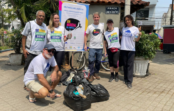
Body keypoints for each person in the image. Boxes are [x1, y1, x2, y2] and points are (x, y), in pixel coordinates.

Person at [22, 10, 47, 91]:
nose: (41, 17)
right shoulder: (29, 24)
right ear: (36, 16)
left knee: (39, 69)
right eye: (40, 15)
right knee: (27, 68)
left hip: (40, 53)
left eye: (43, 16)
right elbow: (24, 36)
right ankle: (26, 85)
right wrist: (24, 49)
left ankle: (36, 83)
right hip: (30, 52)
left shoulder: (44, 26)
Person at [120, 15, 142, 89]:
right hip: (123, 48)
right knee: (125, 65)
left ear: (131, 20)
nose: (127, 21)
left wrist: (139, 35)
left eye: (128, 20)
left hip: (131, 49)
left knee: (130, 65)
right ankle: (125, 79)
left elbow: (136, 40)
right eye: (126, 20)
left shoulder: (135, 29)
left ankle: (129, 82)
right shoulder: (123, 28)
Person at [84, 12, 104, 82]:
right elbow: (86, 36)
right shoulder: (90, 27)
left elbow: (105, 35)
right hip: (92, 47)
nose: (96, 18)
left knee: (98, 62)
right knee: (91, 61)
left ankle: (95, 73)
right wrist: (85, 45)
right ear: (93, 18)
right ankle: (91, 75)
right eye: (95, 17)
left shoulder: (102, 26)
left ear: (99, 18)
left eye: (97, 17)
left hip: (100, 47)